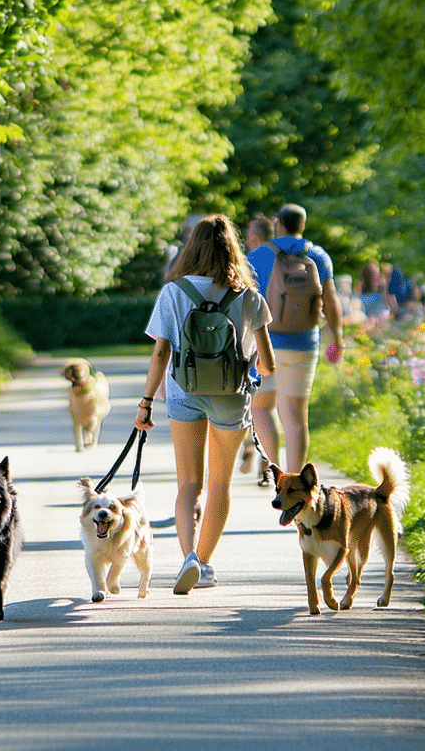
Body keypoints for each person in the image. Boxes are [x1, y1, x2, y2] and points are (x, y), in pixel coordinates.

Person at [135, 214, 275, 595]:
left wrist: (146, 402)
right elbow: (268, 362)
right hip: (231, 396)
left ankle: (188, 559)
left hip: (184, 392)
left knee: (188, 484)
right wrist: (250, 371)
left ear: (191, 248)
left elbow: (160, 352)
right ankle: (206, 561)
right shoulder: (250, 296)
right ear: (234, 249)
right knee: (219, 483)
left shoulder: (174, 292)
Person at [246, 203, 343, 475]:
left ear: (277, 223)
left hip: (264, 342)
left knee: (261, 408)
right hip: (304, 342)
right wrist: (337, 337)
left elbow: (244, 300)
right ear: (303, 224)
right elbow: (331, 300)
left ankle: (273, 471)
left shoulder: (258, 256)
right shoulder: (319, 256)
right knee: (296, 418)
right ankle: (295, 479)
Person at [239, 214, 279, 487]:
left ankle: (250, 448)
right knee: (269, 409)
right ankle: (269, 466)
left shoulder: (247, 263)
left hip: (250, 343)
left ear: (252, 238)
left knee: (248, 405)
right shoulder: (284, 259)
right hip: (285, 342)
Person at [356, 260, 388, 326]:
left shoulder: (380, 293)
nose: (378, 279)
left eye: (378, 275)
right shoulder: (366, 297)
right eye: (375, 276)